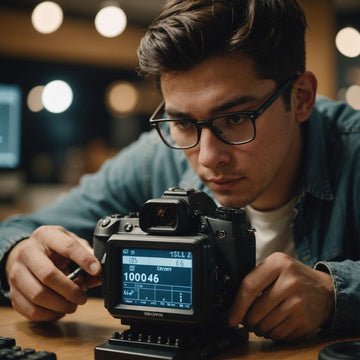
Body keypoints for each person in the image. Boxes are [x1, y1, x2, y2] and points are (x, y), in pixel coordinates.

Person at [1, 0, 359, 342]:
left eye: (235, 118)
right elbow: (17, 231)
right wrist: (19, 258)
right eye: (183, 123)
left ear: (301, 98)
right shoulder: (155, 157)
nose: (206, 156)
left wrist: (334, 293)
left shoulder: (352, 151)